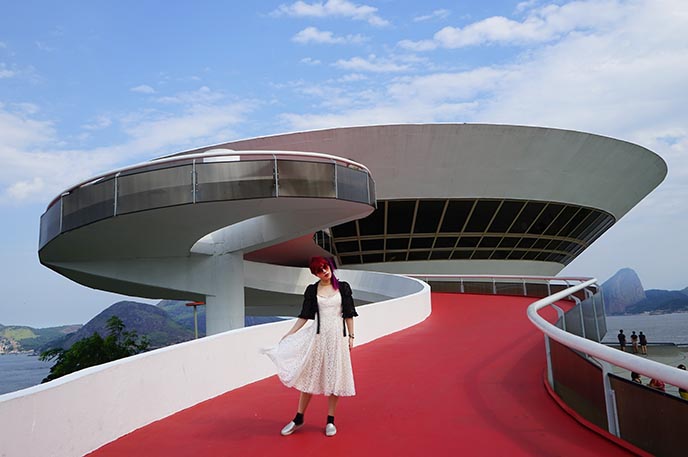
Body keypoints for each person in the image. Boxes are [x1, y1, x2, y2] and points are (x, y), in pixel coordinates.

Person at [264, 257, 357, 437]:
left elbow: (349, 314)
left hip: (337, 339)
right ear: (315, 273)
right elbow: (305, 315)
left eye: (326, 267)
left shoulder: (342, 287)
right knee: (309, 377)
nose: (325, 271)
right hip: (317, 338)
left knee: (334, 378)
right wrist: (290, 333)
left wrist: (351, 336)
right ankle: (299, 418)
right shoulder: (312, 290)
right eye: (320, 270)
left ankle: (330, 420)